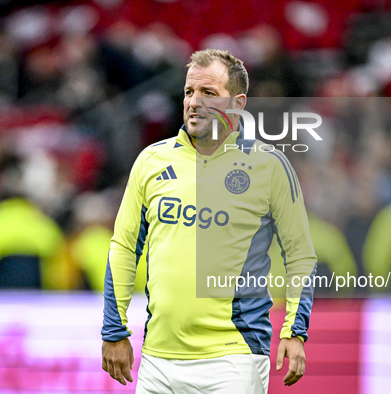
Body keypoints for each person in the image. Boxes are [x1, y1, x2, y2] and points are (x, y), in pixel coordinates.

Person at [101, 49, 317, 393]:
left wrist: (294, 330)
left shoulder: (269, 166)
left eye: (209, 93)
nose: (194, 102)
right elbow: (124, 247)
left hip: (234, 358)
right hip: (158, 359)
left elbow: (300, 254)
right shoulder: (151, 161)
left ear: (238, 103)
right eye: (189, 92)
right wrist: (114, 329)